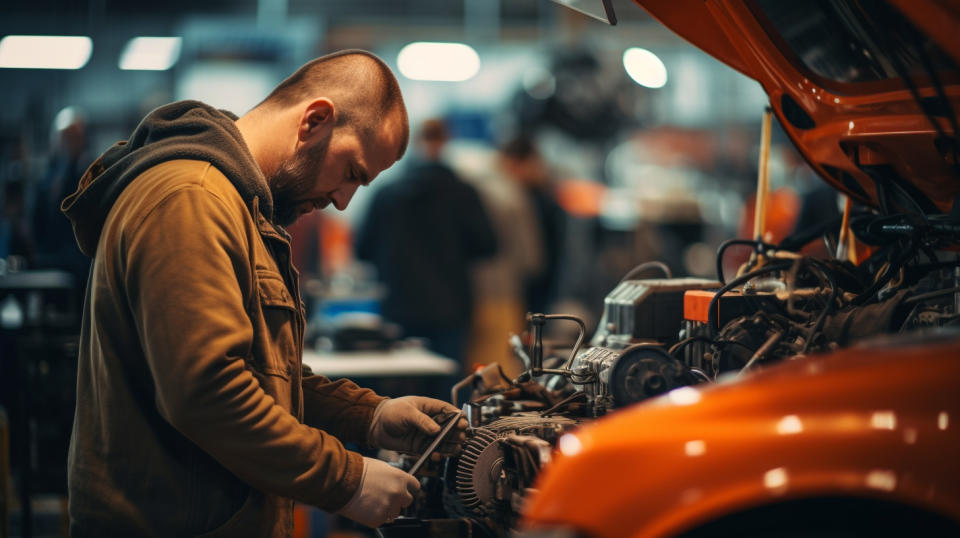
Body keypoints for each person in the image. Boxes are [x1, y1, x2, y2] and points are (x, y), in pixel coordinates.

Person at [61, 50, 466, 537]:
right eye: (352, 172)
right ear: (315, 120)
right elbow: (208, 393)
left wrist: (371, 417)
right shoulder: (191, 200)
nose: (343, 201)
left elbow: (259, 374)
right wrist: (347, 480)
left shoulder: (238, 205)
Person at [356, 119, 496, 366]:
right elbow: (488, 245)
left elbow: (362, 249)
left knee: (400, 379)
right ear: (446, 141)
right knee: (447, 382)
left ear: (415, 141)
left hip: (398, 304)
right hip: (450, 305)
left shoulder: (387, 193)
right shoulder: (464, 193)